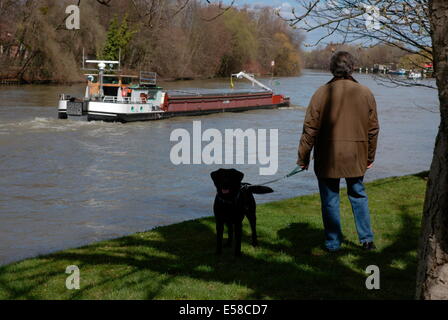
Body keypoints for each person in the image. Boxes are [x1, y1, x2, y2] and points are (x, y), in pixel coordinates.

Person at [297, 51, 380, 252]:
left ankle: (333, 243)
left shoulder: (320, 93)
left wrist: (303, 157)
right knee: (358, 195)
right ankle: (366, 240)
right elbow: (373, 130)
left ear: (332, 68)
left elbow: (310, 129)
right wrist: (370, 157)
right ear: (352, 67)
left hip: (327, 157)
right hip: (355, 155)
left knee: (330, 199)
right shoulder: (366, 93)